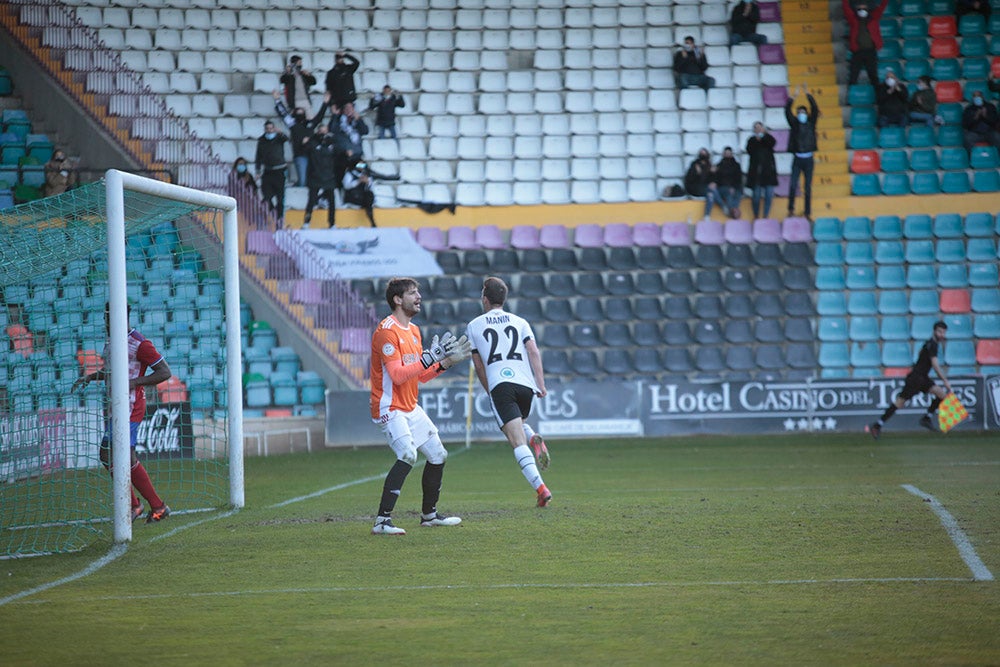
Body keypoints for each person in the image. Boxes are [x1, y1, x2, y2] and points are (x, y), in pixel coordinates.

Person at [368, 277, 473, 535]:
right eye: (412, 293)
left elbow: (419, 375)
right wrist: (429, 358)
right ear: (397, 299)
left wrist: (444, 363)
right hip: (389, 407)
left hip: (409, 405)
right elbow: (397, 376)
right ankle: (382, 521)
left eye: (418, 293)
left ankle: (429, 515)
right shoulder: (386, 331)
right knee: (407, 454)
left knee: (438, 455)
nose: (418, 297)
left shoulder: (413, 330)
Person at [71, 304, 172, 523]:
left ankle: (151, 506)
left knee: (116, 454)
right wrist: (91, 377)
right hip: (114, 405)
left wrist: (134, 383)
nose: (106, 321)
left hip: (131, 406)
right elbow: (112, 372)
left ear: (122, 317)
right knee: (110, 455)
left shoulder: (139, 343)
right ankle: (142, 505)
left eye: (109, 317)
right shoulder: (111, 341)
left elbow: (165, 371)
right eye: (105, 316)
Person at [466, 277, 552, 508]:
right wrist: (540, 384)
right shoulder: (520, 321)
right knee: (519, 424)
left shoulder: (474, 325)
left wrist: (489, 389)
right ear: (504, 299)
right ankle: (532, 435)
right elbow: (533, 351)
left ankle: (541, 488)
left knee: (516, 441)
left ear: (485, 299)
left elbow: (479, 364)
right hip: (526, 386)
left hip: (501, 385)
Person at [868, 321, 952, 439]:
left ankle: (926, 418)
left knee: (941, 394)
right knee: (900, 402)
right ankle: (877, 425)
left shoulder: (929, 344)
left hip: (922, 377)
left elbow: (920, 355)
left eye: (943, 332)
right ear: (934, 331)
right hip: (916, 378)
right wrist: (945, 380)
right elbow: (935, 365)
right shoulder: (932, 345)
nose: (942, 334)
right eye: (940, 332)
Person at [274, 89, 330, 188]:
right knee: (303, 181)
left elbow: (320, 116)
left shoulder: (310, 124)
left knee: (311, 180)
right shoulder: (293, 124)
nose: (300, 114)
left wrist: (325, 103)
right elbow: (284, 114)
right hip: (300, 155)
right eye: (298, 112)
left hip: (312, 155)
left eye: (302, 112)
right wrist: (277, 100)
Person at [785, 84, 819, 220]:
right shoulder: (794, 124)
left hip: (809, 159)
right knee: (793, 185)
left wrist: (807, 95)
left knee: (808, 188)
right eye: (799, 113)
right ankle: (791, 209)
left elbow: (815, 109)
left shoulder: (811, 123)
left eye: (803, 112)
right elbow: (787, 111)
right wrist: (793, 98)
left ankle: (807, 212)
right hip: (797, 159)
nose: (801, 115)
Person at [844, 0, 889, 86]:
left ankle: (878, 96)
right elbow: (846, 8)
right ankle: (851, 96)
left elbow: (881, 8)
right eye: (859, 8)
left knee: (873, 76)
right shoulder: (853, 20)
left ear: (868, 9)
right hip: (857, 51)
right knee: (853, 76)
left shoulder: (874, 18)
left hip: (871, 51)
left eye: (864, 8)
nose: (862, 10)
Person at [302, 124, 338, 229]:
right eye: (321, 131)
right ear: (317, 132)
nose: (323, 133)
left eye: (324, 131)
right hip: (315, 176)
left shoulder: (332, 143)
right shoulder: (312, 142)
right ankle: (306, 222)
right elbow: (304, 150)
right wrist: (307, 141)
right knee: (311, 201)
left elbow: (338, 155)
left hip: (329, 176)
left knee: (332, 201)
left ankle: (332, 223)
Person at [254, 120, 289, 221]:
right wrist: (257, 170)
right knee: (267, 196)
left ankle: (280, 218)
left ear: (274, 129)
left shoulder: (279, 138)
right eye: (267, 129)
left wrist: (280, 132)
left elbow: (286, 138)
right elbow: (258, 157)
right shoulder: (261, 141)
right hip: (268, 171)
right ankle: (273, 212)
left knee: (280, 197)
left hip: (279, 170)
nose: (269, 131)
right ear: (265, 129)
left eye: (271, 128)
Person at [745, 122, 777, 219]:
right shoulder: (751, 140)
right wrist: (757, 140)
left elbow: (772, 143)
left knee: (768, 196)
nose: (758, 129)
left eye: (760, 127)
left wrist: (764, 136)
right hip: (756, 173)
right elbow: (749, 150)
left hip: (769, 172)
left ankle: (765, 216)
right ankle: (756, 215)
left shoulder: (768, 138)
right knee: (756, 197)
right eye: (756, 128)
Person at [705, 146, 744, 219]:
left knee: (735, 193)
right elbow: (715, 178)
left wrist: (733, 187)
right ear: (723, 154)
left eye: (729, 153)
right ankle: (731, 210)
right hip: (722, 187)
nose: (727, 155)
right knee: (716, 190)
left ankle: (731, 210)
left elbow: (738, 179)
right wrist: (712, 175)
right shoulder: (718, 165)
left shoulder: (736, 166)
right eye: (726, 153)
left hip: (734, 187)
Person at [279, 55, 317, 119]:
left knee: (310, 119)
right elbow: (282, 80)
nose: (301, 64)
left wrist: (309, 75)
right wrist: (287, 73)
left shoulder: (303, 74)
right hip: (294, 101)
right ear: (294, 63)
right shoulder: (289, 75)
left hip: (305, 100)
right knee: (296, 120)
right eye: (299, 63)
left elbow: (314, 82)